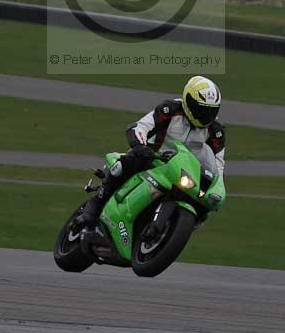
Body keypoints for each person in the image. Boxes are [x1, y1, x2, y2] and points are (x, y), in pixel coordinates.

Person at [76, 75, 225, 227]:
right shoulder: (170, 109)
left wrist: (216, 190)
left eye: (211, 111)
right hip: (153, 158)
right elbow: (140, 126)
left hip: (182, 173)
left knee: (203, 207)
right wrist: (140, 146)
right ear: (188, 101)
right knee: (123, 165)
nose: (206, 116)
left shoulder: (216, 132)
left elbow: (218, 166)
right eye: (201, 109)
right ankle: (96, 203)